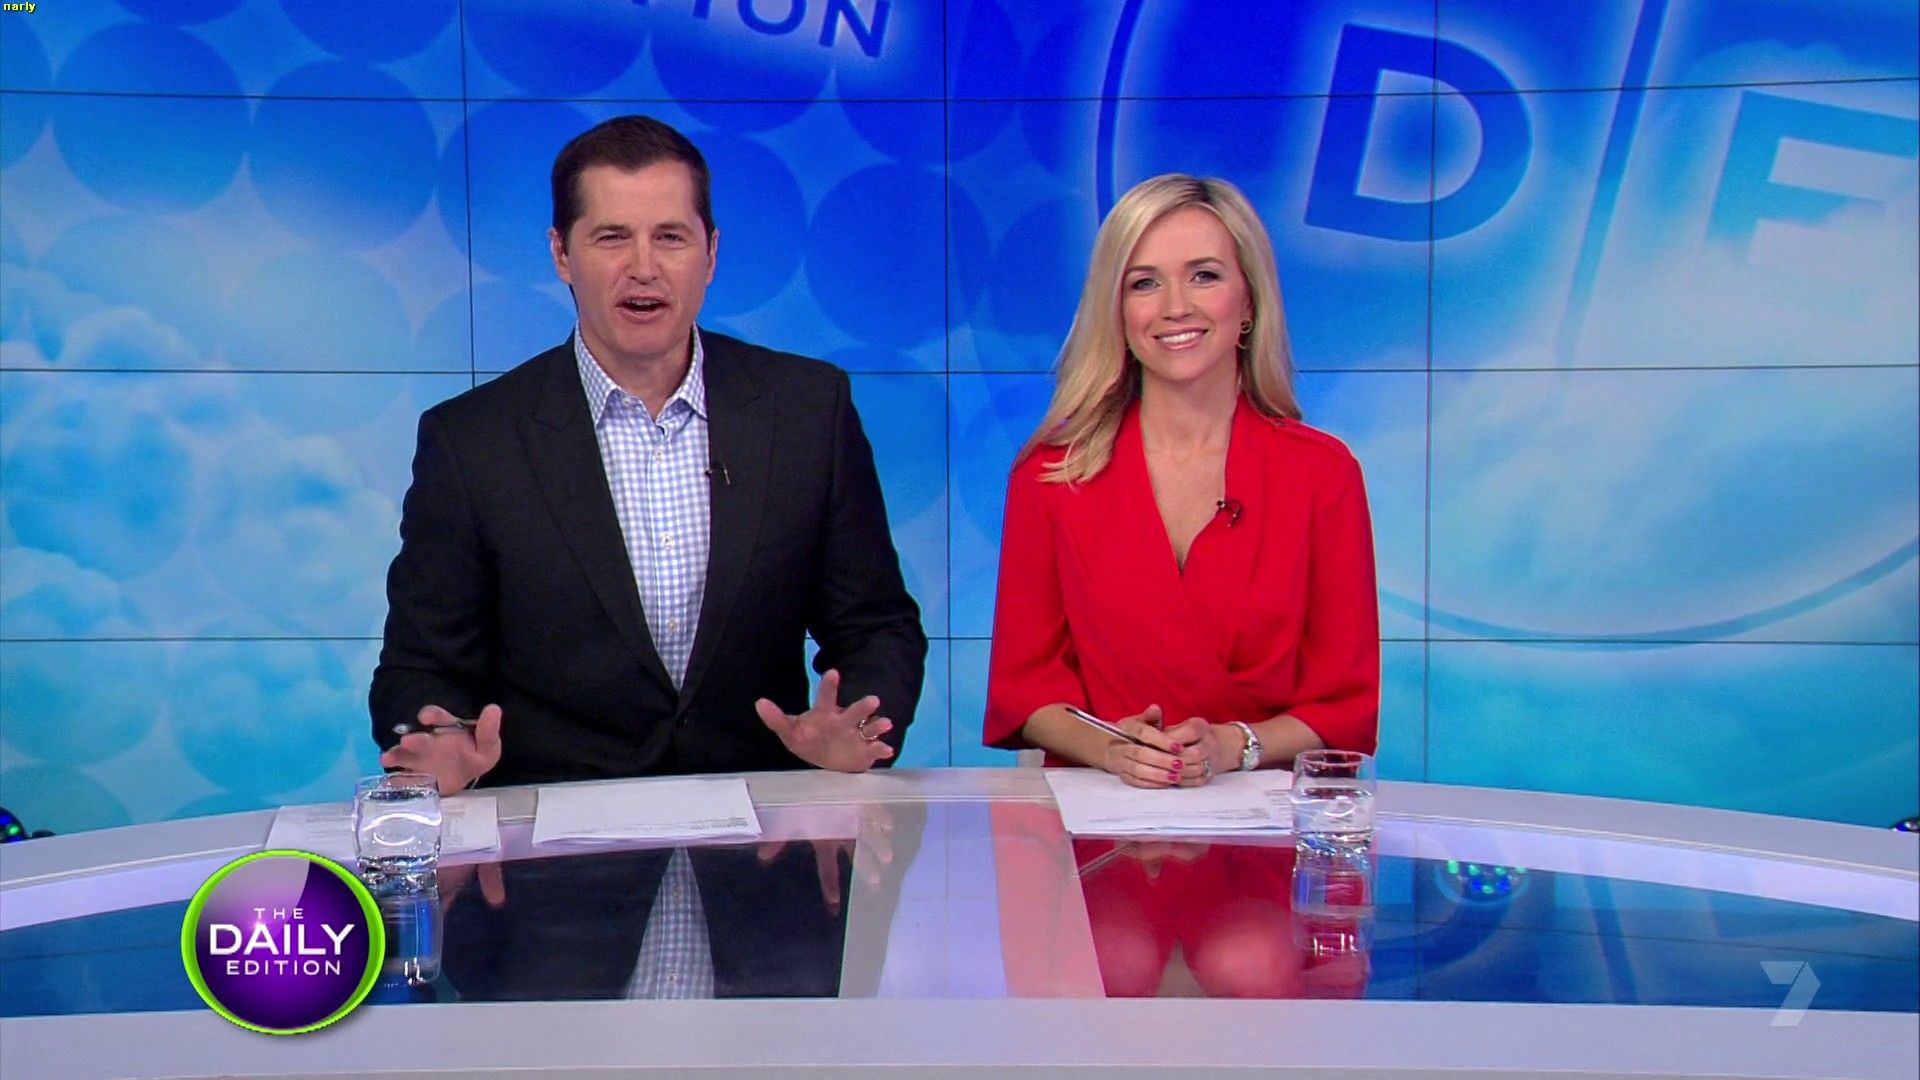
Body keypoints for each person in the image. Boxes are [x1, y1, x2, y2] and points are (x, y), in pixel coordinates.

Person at [371, 115, 927, 794]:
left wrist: (859, 729)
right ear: (561, 254)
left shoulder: (807, 410)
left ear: (710, 253)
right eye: (612, 237)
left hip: (764, 823)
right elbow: (420, 667)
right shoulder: (473, 441)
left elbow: (876, 625)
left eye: (670, 237)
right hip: (554, 833)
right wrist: (442, 743)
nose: (644, 267)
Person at [983, 173, 1379, 784]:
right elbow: (1025, 690)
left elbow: (1343, 705)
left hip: (1264, 816)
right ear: (1117, 311)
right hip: (1101, 812)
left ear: (1248, 303)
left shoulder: (1324, 475)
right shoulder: (1051, 476)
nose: (1175, 306)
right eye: (1144, 283)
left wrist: (1232, 745)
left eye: (1204, 276)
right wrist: (1114, 749)